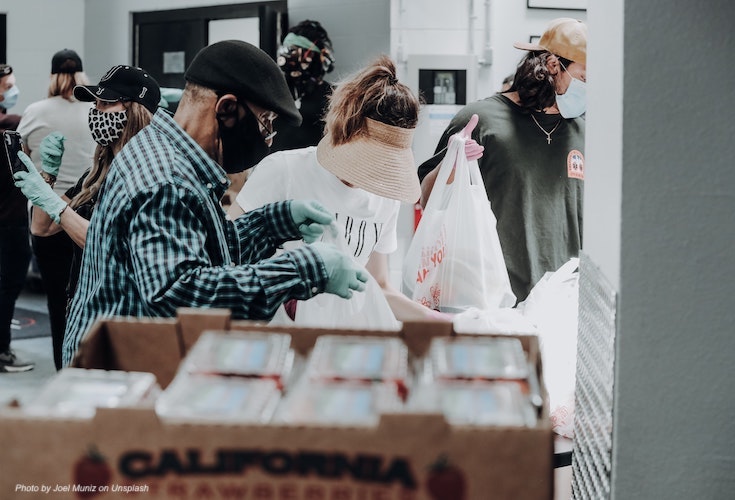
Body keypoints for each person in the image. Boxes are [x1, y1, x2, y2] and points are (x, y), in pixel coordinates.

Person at [60, 40, 368, 367]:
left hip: (128, 358)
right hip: (117, 376)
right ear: (227, 109)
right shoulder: (168, 180)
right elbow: (184, 296)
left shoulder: (170, 154)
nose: (269, 138)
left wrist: (276, 221)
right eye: (266, 123)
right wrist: (304, 269)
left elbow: (206, 252)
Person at [228, 54, 449, 323]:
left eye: (384, 163)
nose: (371, 172)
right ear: (345, 131)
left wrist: (440, 321)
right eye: (369, 157)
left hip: (341, 342)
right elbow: (228, 255)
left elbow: (378, 287)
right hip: (276, 338)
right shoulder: (283, 171)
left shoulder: (384, 198)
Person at [418, 17, 587, 303]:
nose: (590, 88)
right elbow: (427, 200)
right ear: (554, 65)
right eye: (585, 77)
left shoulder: (583, 132)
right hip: (491, 299)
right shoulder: (480, 121)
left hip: (563, 301)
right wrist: (453, 164)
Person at [13, 64, 158, 370]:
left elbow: (107, 244)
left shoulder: (147, 175)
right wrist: (48, 176)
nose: (96, 111)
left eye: (106, 103)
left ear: (135, 110)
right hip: (85, 306)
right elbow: (42, 227)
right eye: (95, 103)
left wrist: (56, 204)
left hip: (121, 316)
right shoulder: (97, 172)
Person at [15, 49, 96, 370]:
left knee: (55, 300)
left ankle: (63, 370)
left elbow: (19, 158)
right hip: (86, 215)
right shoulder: (94, 110)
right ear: (81, 76)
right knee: (86, 297)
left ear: (52, 76)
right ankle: (86, 366)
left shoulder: (34, 112)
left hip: (45, 212)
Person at [0, 63, 34, 372]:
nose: (12, 90)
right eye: (8, 85)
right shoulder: (11, 123)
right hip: (9, 222)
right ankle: (2, 351)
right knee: (8, 286)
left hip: (11, 218)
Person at [272, 19, 335, 153]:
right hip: (275, 167)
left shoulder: (332, 96)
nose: (288, 57)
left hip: (313, 168)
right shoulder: (273, 91)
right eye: (287, 50)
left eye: (294, 51)